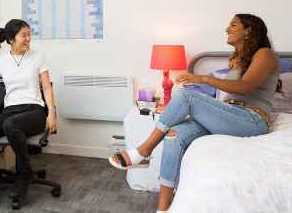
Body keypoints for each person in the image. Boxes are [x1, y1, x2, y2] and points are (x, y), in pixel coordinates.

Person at [109, 13, 279, 213]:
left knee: (186, 95)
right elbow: (224, 94)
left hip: (251, 119)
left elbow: (245, 87)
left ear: (249, 30)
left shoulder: (265, 54)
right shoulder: (237, 59)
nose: (227, 29)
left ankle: (143, 151)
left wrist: (203, 80)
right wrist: (197, 110)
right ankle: (163, 209)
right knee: (174, 135)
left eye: (233, 25)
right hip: (230, 115)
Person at [0, 19, 57, 213]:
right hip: (11, 111)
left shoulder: (38, 57)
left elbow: (47, 87)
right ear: (11, 39)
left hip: (34, 111)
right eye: (24, 35)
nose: (28, 38)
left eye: (29, 34)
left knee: (11, 125)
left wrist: (51, 113)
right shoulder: (0, 60)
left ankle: (24, 171)